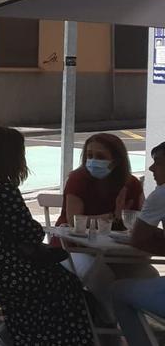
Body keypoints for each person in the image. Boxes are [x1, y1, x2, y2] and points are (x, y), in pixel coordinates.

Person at [0, 126, 93, 345]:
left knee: (52, 281)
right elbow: (29, 231)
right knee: (65, 285)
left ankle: (24, 336)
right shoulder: (1, 187)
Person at [54, 134, 148, 313]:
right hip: (73, 248)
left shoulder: (131, 184)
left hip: (113, 250)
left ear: (116, 160)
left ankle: (125, 321)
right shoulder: (78, 179)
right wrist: (111, 217)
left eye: (100, 157)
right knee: (99, 274)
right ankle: (114, 319)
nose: (93, 161)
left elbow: (136, 222)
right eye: (89, 155)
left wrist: (119, 217)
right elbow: (75, 221)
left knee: (147, 274)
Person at [111, 142, 165, 345]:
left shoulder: (161, 194)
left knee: (117, 290)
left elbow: (138, 238)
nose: (151, 168)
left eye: (158, 163)